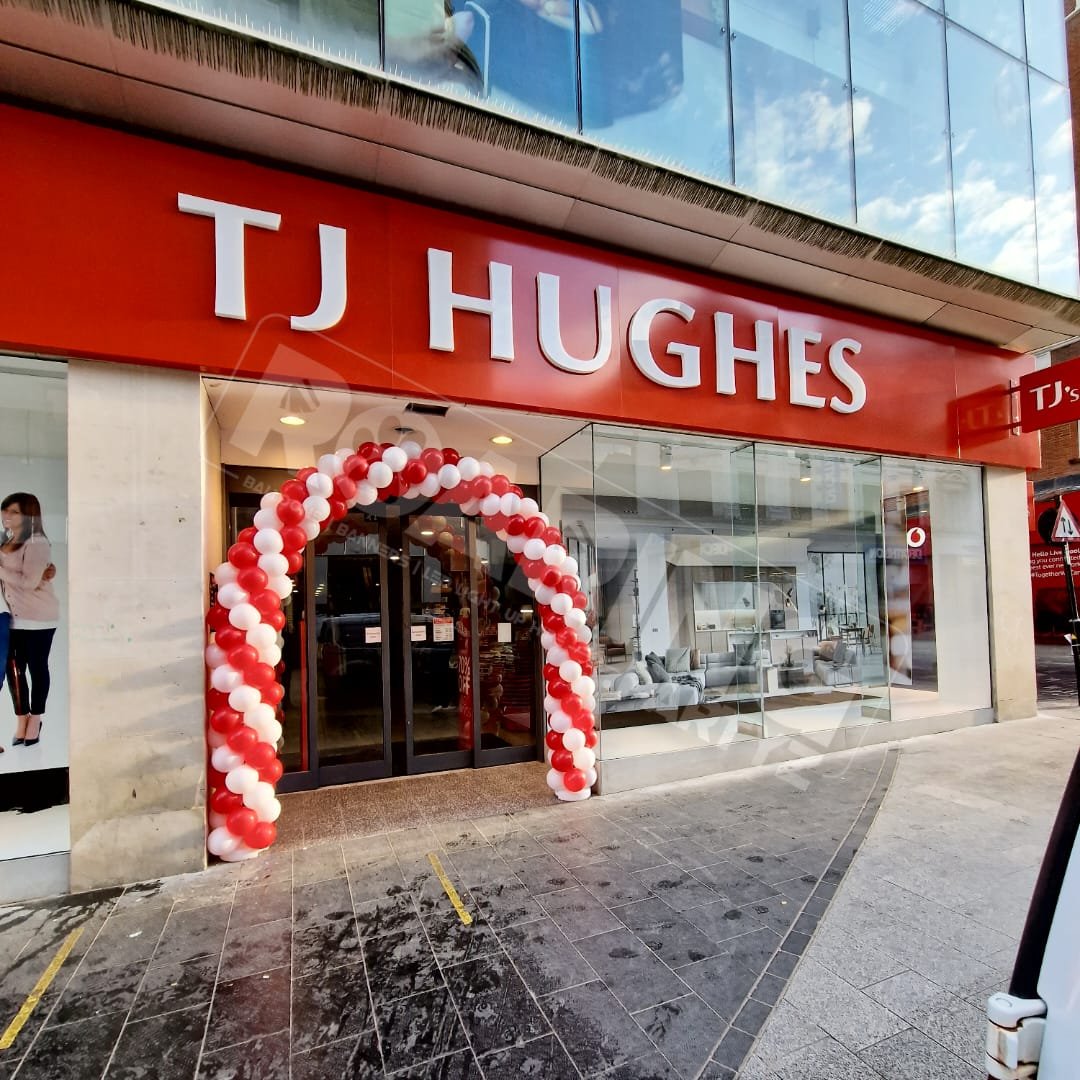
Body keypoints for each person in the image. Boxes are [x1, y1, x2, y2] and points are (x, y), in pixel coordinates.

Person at [0, 493, 60, 748]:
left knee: (37, 668)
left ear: (28, 514)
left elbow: (28, 581)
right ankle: (21, 718)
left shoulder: (37, 542)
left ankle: (35, 718)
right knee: (15, 671)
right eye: (5, 511)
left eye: (13, 511)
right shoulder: (7, 540)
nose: (6, 516)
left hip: (39, 618)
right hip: (13, 619)